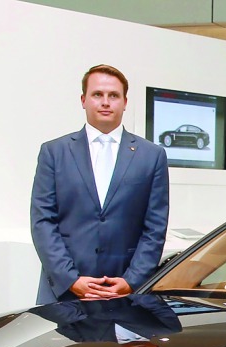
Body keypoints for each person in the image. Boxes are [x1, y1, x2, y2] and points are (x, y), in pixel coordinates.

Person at [31, 64, 170, 304]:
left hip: (125, 292)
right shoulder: (53, 152)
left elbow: (155, 227)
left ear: (125, 102)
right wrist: (71, 279)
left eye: (113, 95)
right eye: (97, 94)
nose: (105, 102)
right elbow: (43, 221)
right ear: (83, 100)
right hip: (64, 292)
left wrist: (132, 280)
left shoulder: (152, 156)